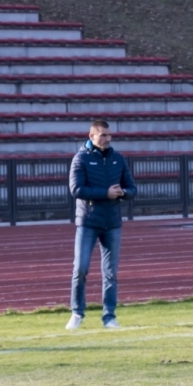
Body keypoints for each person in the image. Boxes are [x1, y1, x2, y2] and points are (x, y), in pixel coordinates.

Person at [67, 119, 136, 330]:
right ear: (92, 136)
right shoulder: (80, 159)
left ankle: (109, 317)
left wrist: (123, 193)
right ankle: (77, 313)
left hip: (112, 222)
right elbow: (76, 189)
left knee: (111, 273)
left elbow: (132, 188)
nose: (107, 139)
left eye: (109, 135)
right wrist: (105, 194)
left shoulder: (118, 159)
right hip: (88, 222)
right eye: (102, 135)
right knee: (81, 268)